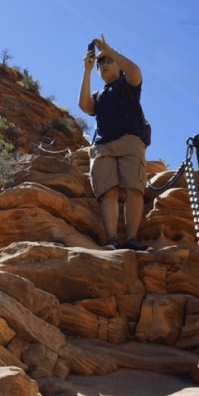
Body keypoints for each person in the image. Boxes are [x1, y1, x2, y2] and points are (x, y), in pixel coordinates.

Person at [78, 34, 148, 250]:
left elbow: (135, 71)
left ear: (119, 66)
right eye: (101, 64)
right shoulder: (99, 95)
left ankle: (132, 240)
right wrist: (87, 70)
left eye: (109, 61)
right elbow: (84, 106)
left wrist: (109, 50)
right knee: (109, 191)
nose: (105, 65)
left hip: (130, 141)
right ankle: (112, 240)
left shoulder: (129, 83)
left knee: (134, 189)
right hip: (102, 146)